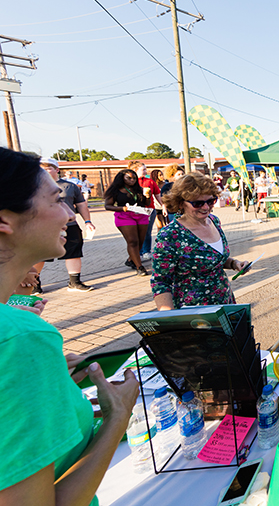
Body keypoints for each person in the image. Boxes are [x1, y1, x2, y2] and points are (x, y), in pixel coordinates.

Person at [0, 147, 139, 506]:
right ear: (5, 221)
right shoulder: (21, 336)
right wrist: (117, 418)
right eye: (56, 200)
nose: (69, 214)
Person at [151, 172, 249, 310]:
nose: (205, 207)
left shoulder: (214, 220)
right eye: (197, 203)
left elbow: (213, 258)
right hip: (193, 313)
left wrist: (234, 264)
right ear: (180, 203)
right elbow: (160, 282)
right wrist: (171, 319)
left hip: (224, 302)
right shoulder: (170, 235)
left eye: (210, 201)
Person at [33, 158, 96, 292]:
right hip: (43, 228)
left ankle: (74, 282)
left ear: (57, 169)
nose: (45, 171)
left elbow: (81, 205)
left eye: (48, 168)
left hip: (69, 225)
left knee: (73, 253)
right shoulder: (32, 186)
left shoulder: (69, 186)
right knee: (40, 256)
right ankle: (34, 283)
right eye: (41, 168)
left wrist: (87, 221)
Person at [104, 169, 150, 276]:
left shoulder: (139, 189)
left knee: (140, 241)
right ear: (122, 178)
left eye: (134, 178)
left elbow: (146, 203)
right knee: (133, 241)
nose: (132, 180)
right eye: (129, 178)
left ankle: (131, 260)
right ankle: (139, 267)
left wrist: (148, 196)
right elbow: (108, 206)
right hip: (124, 216)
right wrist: (122, 208)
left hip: (141, 214)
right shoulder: (115, 190)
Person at [128, 161, 162, 262]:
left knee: (147, 231)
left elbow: (157, 194)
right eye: (143, 169)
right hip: (135, 210)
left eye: (145, 169)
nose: (145, 171)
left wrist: (163, 205)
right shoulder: (130, 182)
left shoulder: (150, 182)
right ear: (135, 170)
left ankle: (146, 251)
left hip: (149, 209)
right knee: (135, 233)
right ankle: (137, 252)